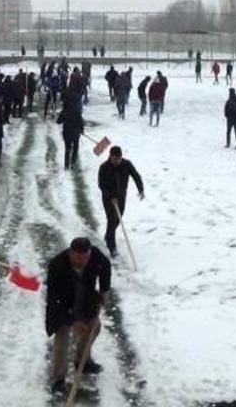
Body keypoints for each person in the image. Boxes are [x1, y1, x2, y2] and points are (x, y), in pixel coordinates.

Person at [46, 237, 111, 396]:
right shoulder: (56, 265)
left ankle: (83, 361)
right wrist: (72, 321)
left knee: (93, 329)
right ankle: (58, 379)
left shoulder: (95, 255)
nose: (81, 261)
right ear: (70, 253)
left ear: (89, 254)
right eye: (76, 257)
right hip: (63, 304)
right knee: (63, 340)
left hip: (85, 300)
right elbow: (53, 300)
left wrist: (103, 291)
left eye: (85, 257)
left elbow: (106, 267)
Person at [97, 146, 144, 257]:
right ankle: (112, 247)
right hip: (108, 199)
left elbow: (136, 176)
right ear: (110, 156)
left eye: (118, 159)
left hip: (122, 197)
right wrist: (110, 197)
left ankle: (109, 235)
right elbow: (101, 185)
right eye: (114, 159)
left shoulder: (126, 164)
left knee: (118, 219)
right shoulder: (104, 167)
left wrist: (141, 189)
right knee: (111, 219)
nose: (117, 161)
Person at [58, 101, 84, 170]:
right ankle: (73, 163)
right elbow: (81, 121)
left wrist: (61, 116)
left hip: (67, 133)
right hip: (75, 133)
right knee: (75, 148)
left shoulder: (64, 112)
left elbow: (58, 121)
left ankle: (66, 165)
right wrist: (81, 130)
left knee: (67, 149)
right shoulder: (77, 111)